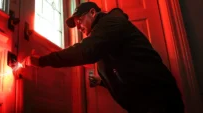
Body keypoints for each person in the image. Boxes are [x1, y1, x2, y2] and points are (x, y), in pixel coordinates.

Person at [25, 2, 184, 113]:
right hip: (145, 103)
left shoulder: (110, 24)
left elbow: (85, 51)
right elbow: (125, 71)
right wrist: (103, 82)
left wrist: (42, 60)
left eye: (79, 21)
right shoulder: (103, 35)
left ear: (93, 12)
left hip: (158, 100)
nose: (79, 27)